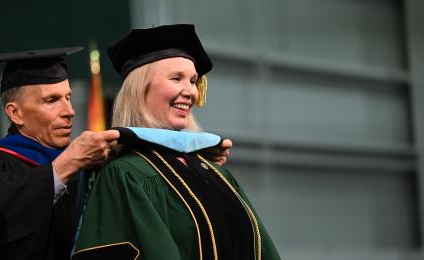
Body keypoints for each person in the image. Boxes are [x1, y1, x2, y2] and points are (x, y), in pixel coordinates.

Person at [73, 24, 281, 260]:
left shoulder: (215, 172)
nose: (190, 91)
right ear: (140, 89)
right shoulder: (126, 175)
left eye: (193, 81)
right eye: (176, 78)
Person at [0, 47, 121, 260]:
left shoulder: (85, 164)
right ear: (15, 113)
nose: (69, 111)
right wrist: (66, 165)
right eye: (51, 100)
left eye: (68, 97)